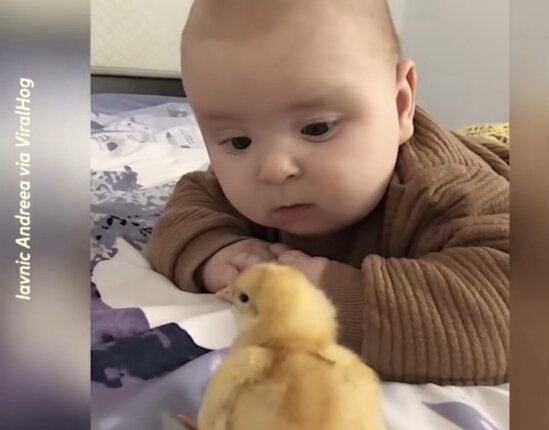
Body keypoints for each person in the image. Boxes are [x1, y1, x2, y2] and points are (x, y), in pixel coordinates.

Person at [148, 0, 509, 385]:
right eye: (238, 141)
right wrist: (216, 249)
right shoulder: (246, 179)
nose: (272, 169)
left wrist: (330, 297)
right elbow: (188, 207)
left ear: (400, 105)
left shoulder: (445, 190)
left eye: (316, 129)